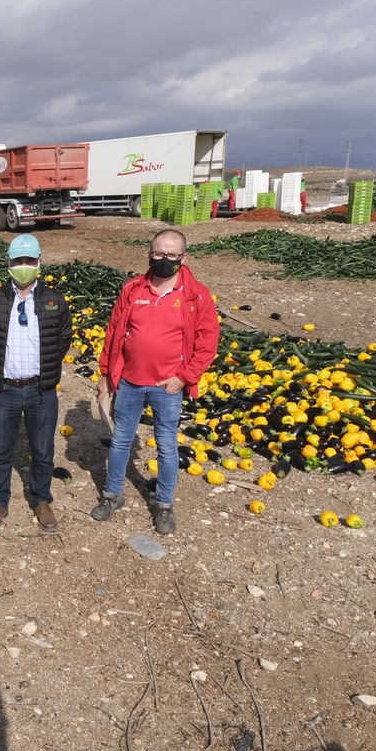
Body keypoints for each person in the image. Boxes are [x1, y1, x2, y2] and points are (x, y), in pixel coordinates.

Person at [93, 228, 221, 536]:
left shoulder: (195, 294)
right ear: (150, 254)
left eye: (172, 255)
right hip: (130, 382)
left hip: (168, 386)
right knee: (121, 439)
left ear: (183, 257)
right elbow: (114, 334)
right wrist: (105, 374)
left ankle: (164, 504)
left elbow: (208, 342)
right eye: (159, 253)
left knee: (166, 444)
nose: (164, 259)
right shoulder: (133, 289)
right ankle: (112, 495)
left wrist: (185, 377)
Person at [0, 235, 72, 533]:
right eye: (18, 261)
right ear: (9, 263)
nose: (24, 266)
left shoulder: (54, 300)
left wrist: (48, 369)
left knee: (43, 450)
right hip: (6, 390)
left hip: (41, 390)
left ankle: (41, 500)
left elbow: (64, 337)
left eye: (29, 261)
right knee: (1, 449)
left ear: (39, 262)